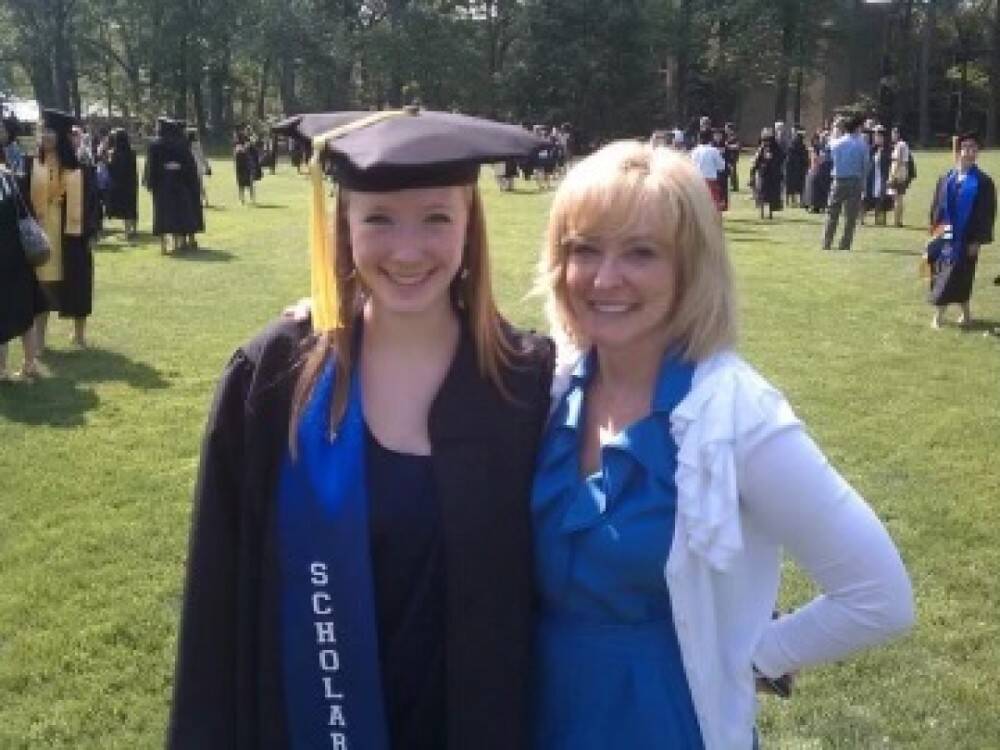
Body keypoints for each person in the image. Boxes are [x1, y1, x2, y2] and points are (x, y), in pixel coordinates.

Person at [167, 109, 554, 749]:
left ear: (469, 228)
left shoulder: (525, 381)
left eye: (436, 218)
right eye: (378, 218)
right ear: (342, 227)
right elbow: (218, 610)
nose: (407, 251)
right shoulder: (272, 380)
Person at [533, 141, 914, 750]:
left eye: (641, 253)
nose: (606, 278)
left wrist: (746, 658)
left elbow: (879, 595)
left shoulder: (737, 414)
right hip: (535, 709)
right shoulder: (549, 389)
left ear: (690, 268)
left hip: (662, 721)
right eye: (585, 250)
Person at [22, 109, 97, 351]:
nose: (46, 135)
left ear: (62, 136)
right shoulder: (31, 164)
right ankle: (40, 340)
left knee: (76, 281)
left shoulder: (80, 168)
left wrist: (91, 231)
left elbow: (92, 203)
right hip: (42, 234)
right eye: (43, 130)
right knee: (40, 285)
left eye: (51, 131)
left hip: (72, 235)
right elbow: (22, 203)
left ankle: (79, 335)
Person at [926, 132, 997, 329]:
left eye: (973, 148)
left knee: (962, 274)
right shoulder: (947, 178)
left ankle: (939, 317)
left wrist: (978, 240)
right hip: (945, 232)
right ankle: (965, 315)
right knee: (944, 271)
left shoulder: (983, 182)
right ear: (959, 151)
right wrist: (934, 231)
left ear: (977, 152)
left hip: (968, 236)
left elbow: (987, 214)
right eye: (965, 147)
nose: (969, 151)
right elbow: (936, 206)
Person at [0, 134, 41, 380]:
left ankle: (2, 369)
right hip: (20, 254)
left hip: (6, 255)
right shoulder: (11, 178)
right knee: (24, 312)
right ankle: (29, 364)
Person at [145, 117, 204, 254]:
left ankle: (163, 247)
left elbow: (151, 167)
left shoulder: (155, 145)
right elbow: (190, 166)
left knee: (161, 214)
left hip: (161, 184)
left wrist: (151, 183)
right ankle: (177, 243)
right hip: (179, 183)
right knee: (177, 213)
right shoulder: (181, 144)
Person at [822, 115, 868, 250]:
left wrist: (834, 127)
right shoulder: (862, 144)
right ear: (857, 128)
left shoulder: (837, 143)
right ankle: (845, 244)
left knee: (832, 213)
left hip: (838, 180)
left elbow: (829, 145)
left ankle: (827, 242)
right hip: (855, 181)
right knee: (851, 216)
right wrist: (863, 182)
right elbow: (865, 166)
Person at [106, 128, 138, 239]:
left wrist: (109, 161)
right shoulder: (132, 152)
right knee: (132, 206)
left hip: (120, 184)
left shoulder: (115, 153)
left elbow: (113, 169)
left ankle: (127, 232)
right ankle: (134, 229)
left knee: (125, 208)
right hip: (131, 182)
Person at [749, 127, 784, 219]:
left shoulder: (777, 148)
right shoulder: (761, 148)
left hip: (774, 174)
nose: (767, 143)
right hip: (763, 174)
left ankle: (771, 213)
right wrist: (754, 171)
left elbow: (781, 158)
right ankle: (762, 213)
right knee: (762, 194)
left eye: (768, 140)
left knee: (773, 196)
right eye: (765, 141)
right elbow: (756, 161)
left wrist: (772, 159)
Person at [689, 129, 727, 212]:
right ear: (710, 139)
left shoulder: (694, 151)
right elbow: (722, 166)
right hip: (710, 179)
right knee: (713, 201)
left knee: (699, 201)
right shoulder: (713, 150)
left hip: (697, 179)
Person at [863, 126, 892, 226]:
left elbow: (889, 164)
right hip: (871, 177)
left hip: (882, 177)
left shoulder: (888, 150)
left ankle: (880, 220)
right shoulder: (872, 149)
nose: (876, 138)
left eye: (879, 136)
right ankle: (861, 219)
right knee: (867, 197)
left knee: (881, 198)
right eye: (875, 136)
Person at [888, 126, 913, 227]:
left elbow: (897, 161)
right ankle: (898, 220)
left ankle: (896, 220)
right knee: (899, 198)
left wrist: (892, 175)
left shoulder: (899, 145)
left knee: (897, 198)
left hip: (898, 173)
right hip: (903, 173)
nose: (892, 136)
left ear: (898, 134)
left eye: (893, 134)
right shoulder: (904, 145)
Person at [784, 128, 809, 208]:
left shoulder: (792, 143)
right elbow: (805, 156)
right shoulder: (801, 145)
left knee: (791, 185)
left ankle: (790, 201)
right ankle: (800, 201)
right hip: (799, 167)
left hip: (792, 167)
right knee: (800, 185)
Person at [187, 128, 211, 208]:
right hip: (198, 168)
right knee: (200, 185)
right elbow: (202, 157)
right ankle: (205, 200)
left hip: (191, 168)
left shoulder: (186, 145)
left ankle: (195, 201)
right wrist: (207, 167)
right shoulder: (198, 145)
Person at [233, 131, 256, 204]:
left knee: (244, 184)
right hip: (242, 167)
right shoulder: (240, 146)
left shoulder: (240, 146)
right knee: (244, 184)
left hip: (243, 167)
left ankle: (246, 199)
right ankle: (244, 199)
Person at [723, 122, 740, 192]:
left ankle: (735, 187)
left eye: (726, 128)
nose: (725, 129)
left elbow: (737, 146)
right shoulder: (725, 137)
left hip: (732, 157)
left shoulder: (735, 137)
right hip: (726, 156)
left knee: (733, 172)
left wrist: (727, 146)